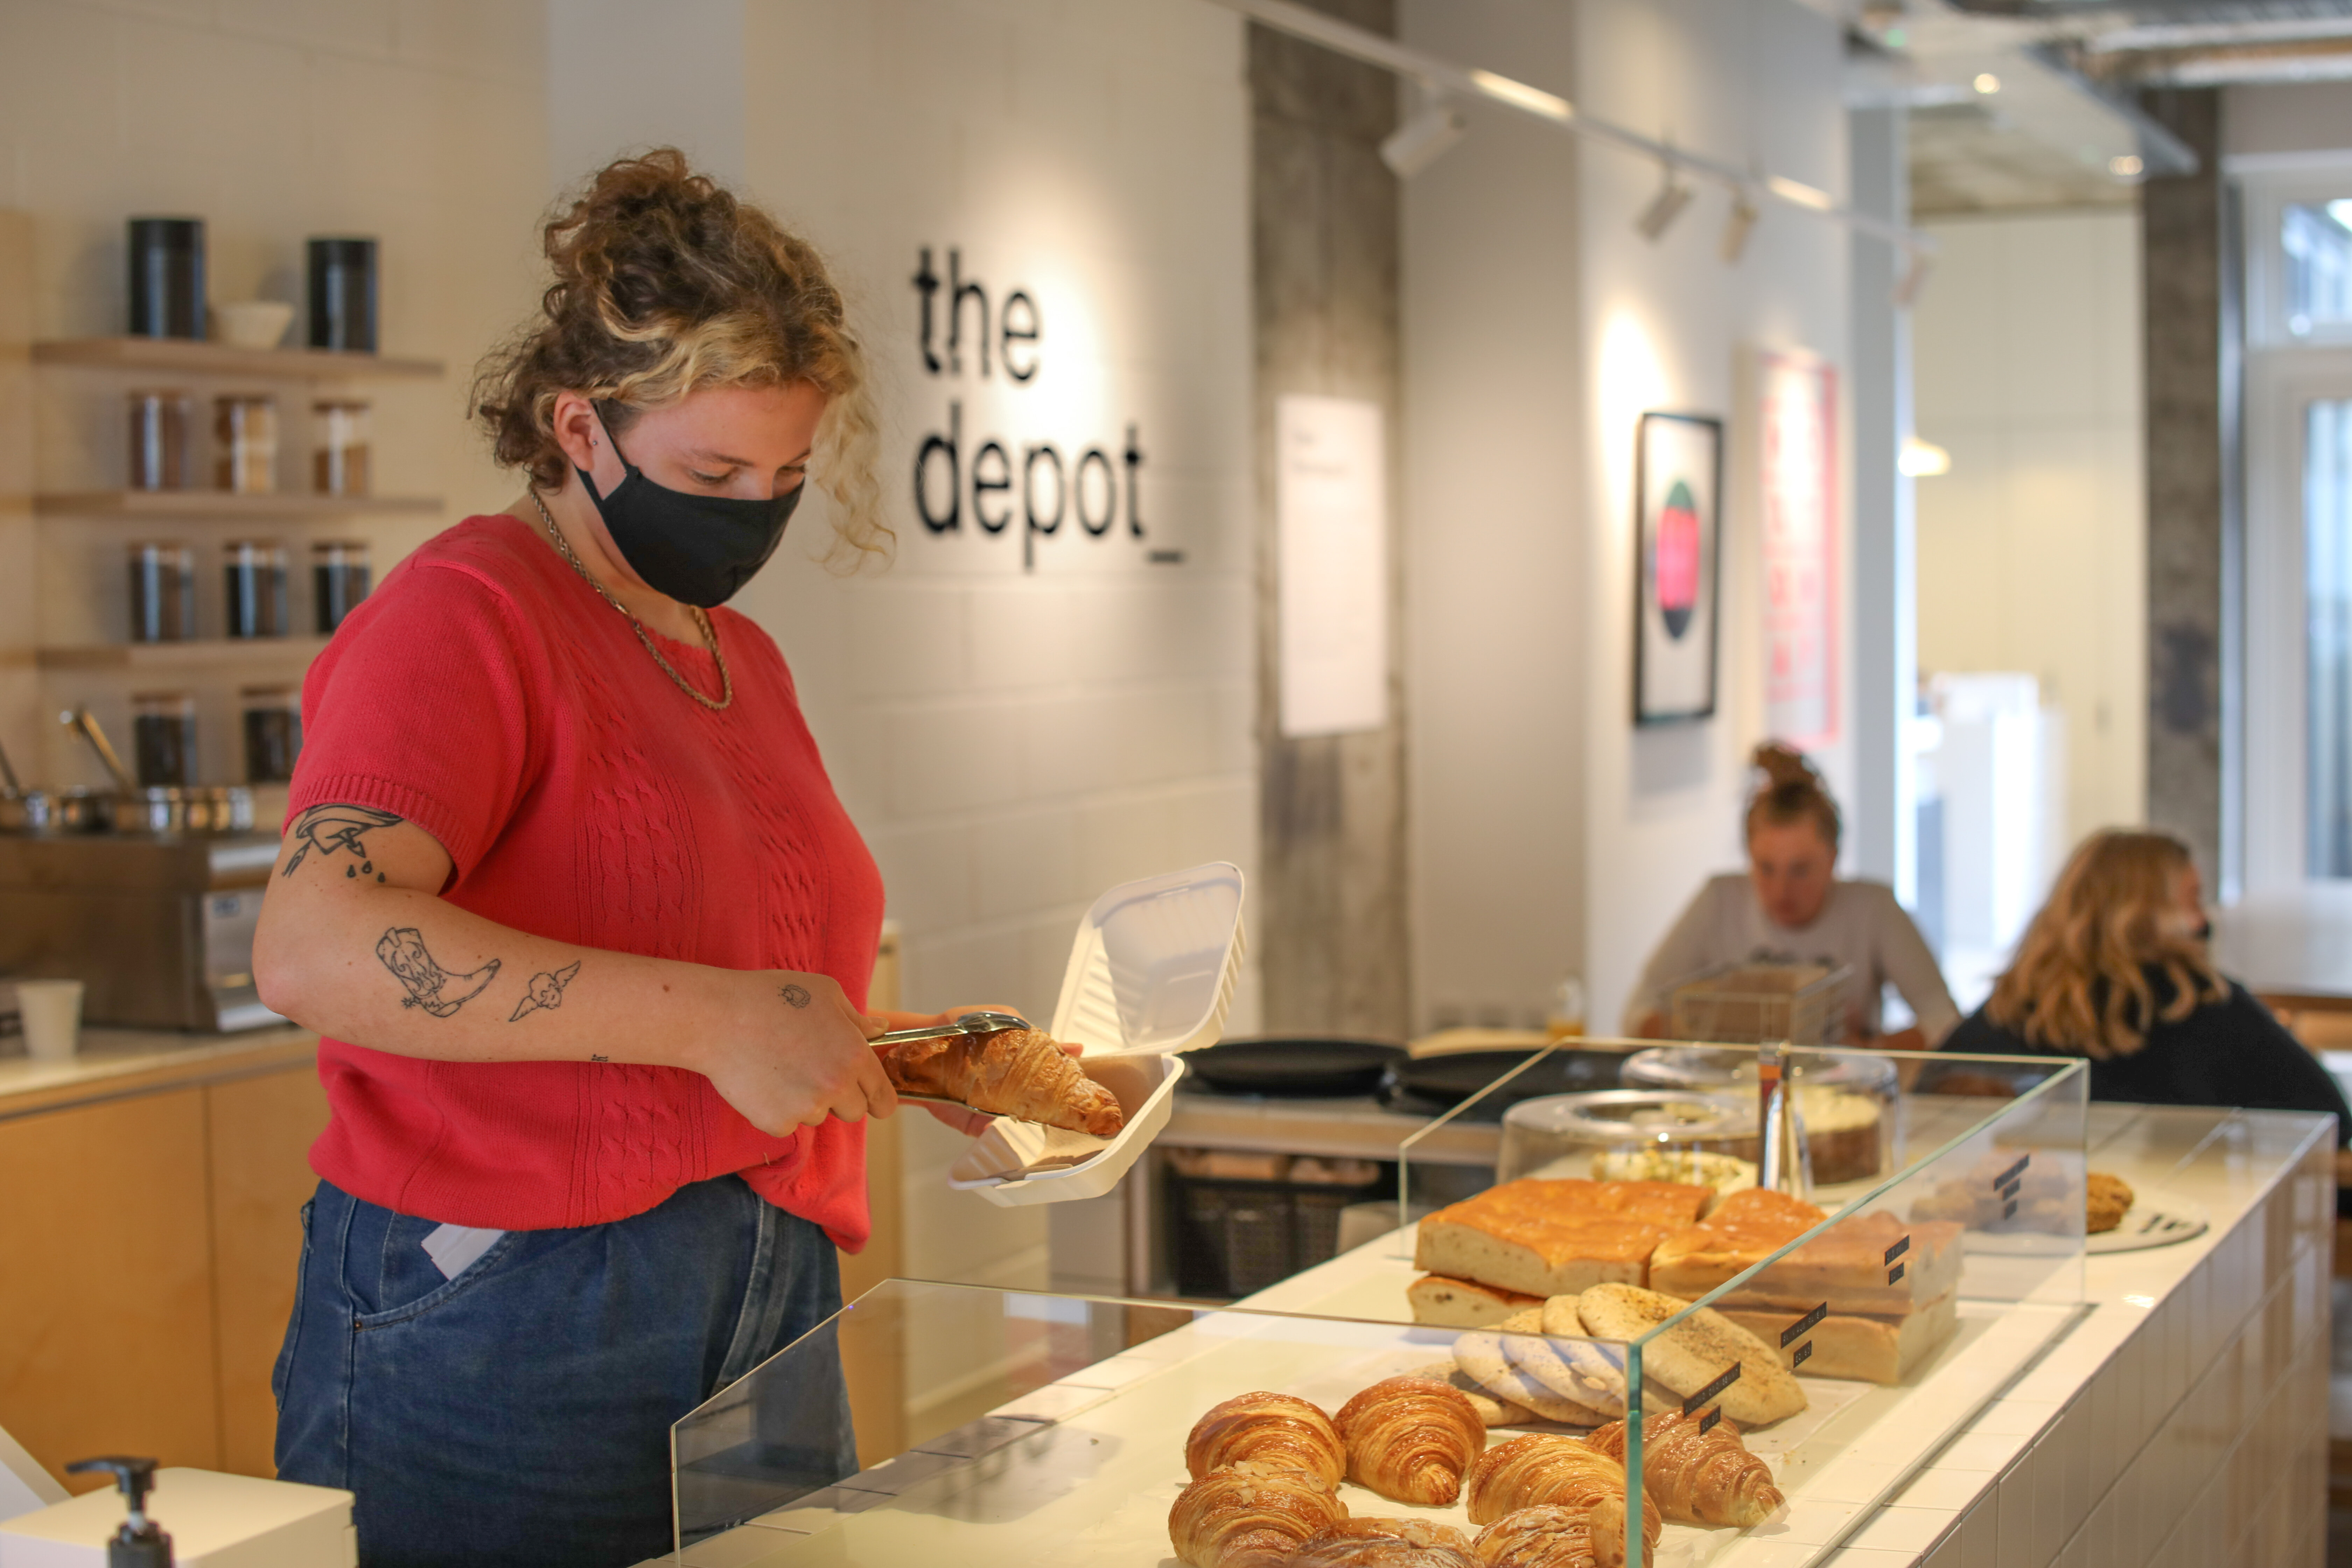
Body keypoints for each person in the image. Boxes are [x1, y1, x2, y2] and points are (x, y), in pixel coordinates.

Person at [252, 151, 1006, 1568]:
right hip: (512, 1309)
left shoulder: (739, 655)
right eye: (711, 472)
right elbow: (314, 942)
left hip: (765, 1290)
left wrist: (921, 1055)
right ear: (580, 427)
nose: (751, 512)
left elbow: (726, 992)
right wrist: (727, 1021)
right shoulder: (468, 613)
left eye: (785, 476)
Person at [1939, 830, 2351, 1142]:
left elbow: (1934, 1104)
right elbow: (2328, 1116)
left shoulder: (2015, 1005)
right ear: (2145, 915)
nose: (2201, 923)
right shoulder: (2205, 1006)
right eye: (2190, 902)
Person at [1622, 743, 1960, 1048]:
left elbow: (1944, 1019)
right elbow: (1638, 1011)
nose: (1782, 891)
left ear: (1833, 859)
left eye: (1800, 870)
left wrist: (1872, 1048)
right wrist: (1703, 1031)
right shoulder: (1719, 902)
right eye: (1766, 869)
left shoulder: (1874, 909)